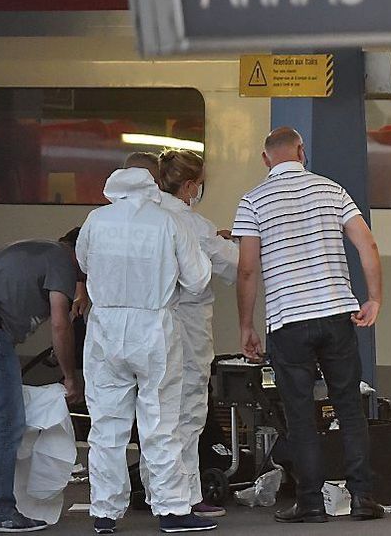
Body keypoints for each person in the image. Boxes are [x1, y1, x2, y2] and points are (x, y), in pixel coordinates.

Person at [233, 127, 384, 524]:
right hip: (337, 314)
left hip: (288, 322)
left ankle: (311, 503)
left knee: (300, 414)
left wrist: (246, 325)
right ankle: (363, 498)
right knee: (349, 407)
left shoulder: (252, 201)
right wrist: (374, 298)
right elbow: (367, 244)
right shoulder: (332, 191)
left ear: (266, 159)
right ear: (301, 151)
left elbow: (247, 269)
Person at [77, 167, 214, 534]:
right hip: (154, 327)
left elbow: (84, 263)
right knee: (161, 421)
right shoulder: (169, 221)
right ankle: (171, 510)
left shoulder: (96, 220)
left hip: (104, 327)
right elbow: (198, 280)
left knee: (106, 424)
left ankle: (104, 512)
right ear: (152, 187)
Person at [0, 229, 84, 533]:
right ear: (79, 250)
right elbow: (60, 325)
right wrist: (71, 377)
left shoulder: (39, 249)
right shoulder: (62, 261)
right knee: (6, 424)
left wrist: (81, 289)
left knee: (2, 422)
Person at [157, 149, 239, 519]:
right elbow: (233, 267)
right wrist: (235, 243)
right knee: (188, 413)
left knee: (157, 413)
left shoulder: (150, 216)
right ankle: (185, 499)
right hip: (188, 328)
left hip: (153, 328)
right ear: (189, 185)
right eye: (200, 184)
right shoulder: (193, 224)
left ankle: (156, 490)